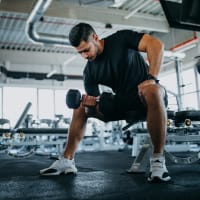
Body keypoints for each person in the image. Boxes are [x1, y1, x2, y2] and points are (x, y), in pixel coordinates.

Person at [40, 22, 171, 182]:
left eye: (86, 50)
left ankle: (158, 162)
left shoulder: (121, 39)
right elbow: (95, 101)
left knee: (152, 90)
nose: (85, 56)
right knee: (81, 107)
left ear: (95, 37)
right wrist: (91, 103)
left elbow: (156, 44)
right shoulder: (89, 72)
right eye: (80, 53)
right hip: (124, 105)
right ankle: (67, 160)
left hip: (147, 98)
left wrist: (151, 78)